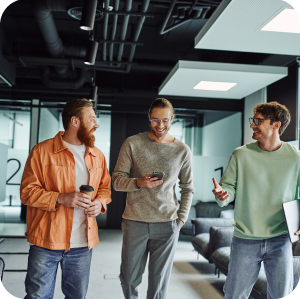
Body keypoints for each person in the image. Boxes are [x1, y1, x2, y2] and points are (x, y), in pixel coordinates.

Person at [20, 98, 111, 299]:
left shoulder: (98, 155)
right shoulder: (42, 152)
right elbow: (27, 192)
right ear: (75, 121)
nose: (96, 124)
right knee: (38, 296)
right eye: (92, 119)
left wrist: (99, 203)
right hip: (46, 241)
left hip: (82, 245)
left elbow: (105, 189)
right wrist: (60, 198)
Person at [212, 101, 300, 299]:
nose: (252, 125)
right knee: (234, 295)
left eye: (258, 121)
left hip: (280, 239)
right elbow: (228, 188)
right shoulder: (241, 155)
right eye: (253, 120)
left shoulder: (296, 158)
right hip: (245, 239)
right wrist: (223, 195)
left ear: (276, 125)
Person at [112, 98, 194, 299]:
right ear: (149, 118)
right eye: (156, 120)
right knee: (129, 278)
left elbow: (188, 188)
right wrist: (139, 182)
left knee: (158, 283)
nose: (160, 125)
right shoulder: (132, 143)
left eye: (165, 120)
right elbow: (116, 181)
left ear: (172, 119)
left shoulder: (182, 150)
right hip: (135, 221)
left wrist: (181, 219)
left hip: (167, 224)